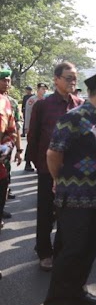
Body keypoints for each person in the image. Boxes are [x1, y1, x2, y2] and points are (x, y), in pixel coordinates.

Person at [42, 70, 96, 305]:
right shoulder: (72, 118)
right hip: (74, 199)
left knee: (89, 249)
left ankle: (77, 291)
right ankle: (53, 304)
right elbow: (53, 154)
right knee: (70, 251)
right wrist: (59, 181)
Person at [28, 61, 84, 271]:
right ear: (56, 79)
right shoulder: (43, 105)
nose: (72, 82)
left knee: (68, 213)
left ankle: (62, 250)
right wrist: (40, 165)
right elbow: (33, 137)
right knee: (45, 213)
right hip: (47, 169)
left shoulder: (79, 104)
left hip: (73, 171)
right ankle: (44, 251)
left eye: (75, 78)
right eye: (68, 78)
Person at [0, 71, 22, 221]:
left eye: (8, 80)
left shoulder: (9, 102)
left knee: (3, 182)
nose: (6, 83)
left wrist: (14, 149)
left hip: (2, 154)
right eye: (3, 80)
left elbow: (13, 130)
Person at [23, 82, 49, 172]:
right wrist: (27, 127)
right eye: (42, 89)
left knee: (41, 146)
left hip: (42, 127)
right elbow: (27, 114)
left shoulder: (46, 100)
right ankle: (27, 163)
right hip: (32, 126)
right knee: (31, 144)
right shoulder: (32, 100)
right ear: (37, 89)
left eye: (45, 89)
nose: (44, 90)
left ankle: (39, 165)